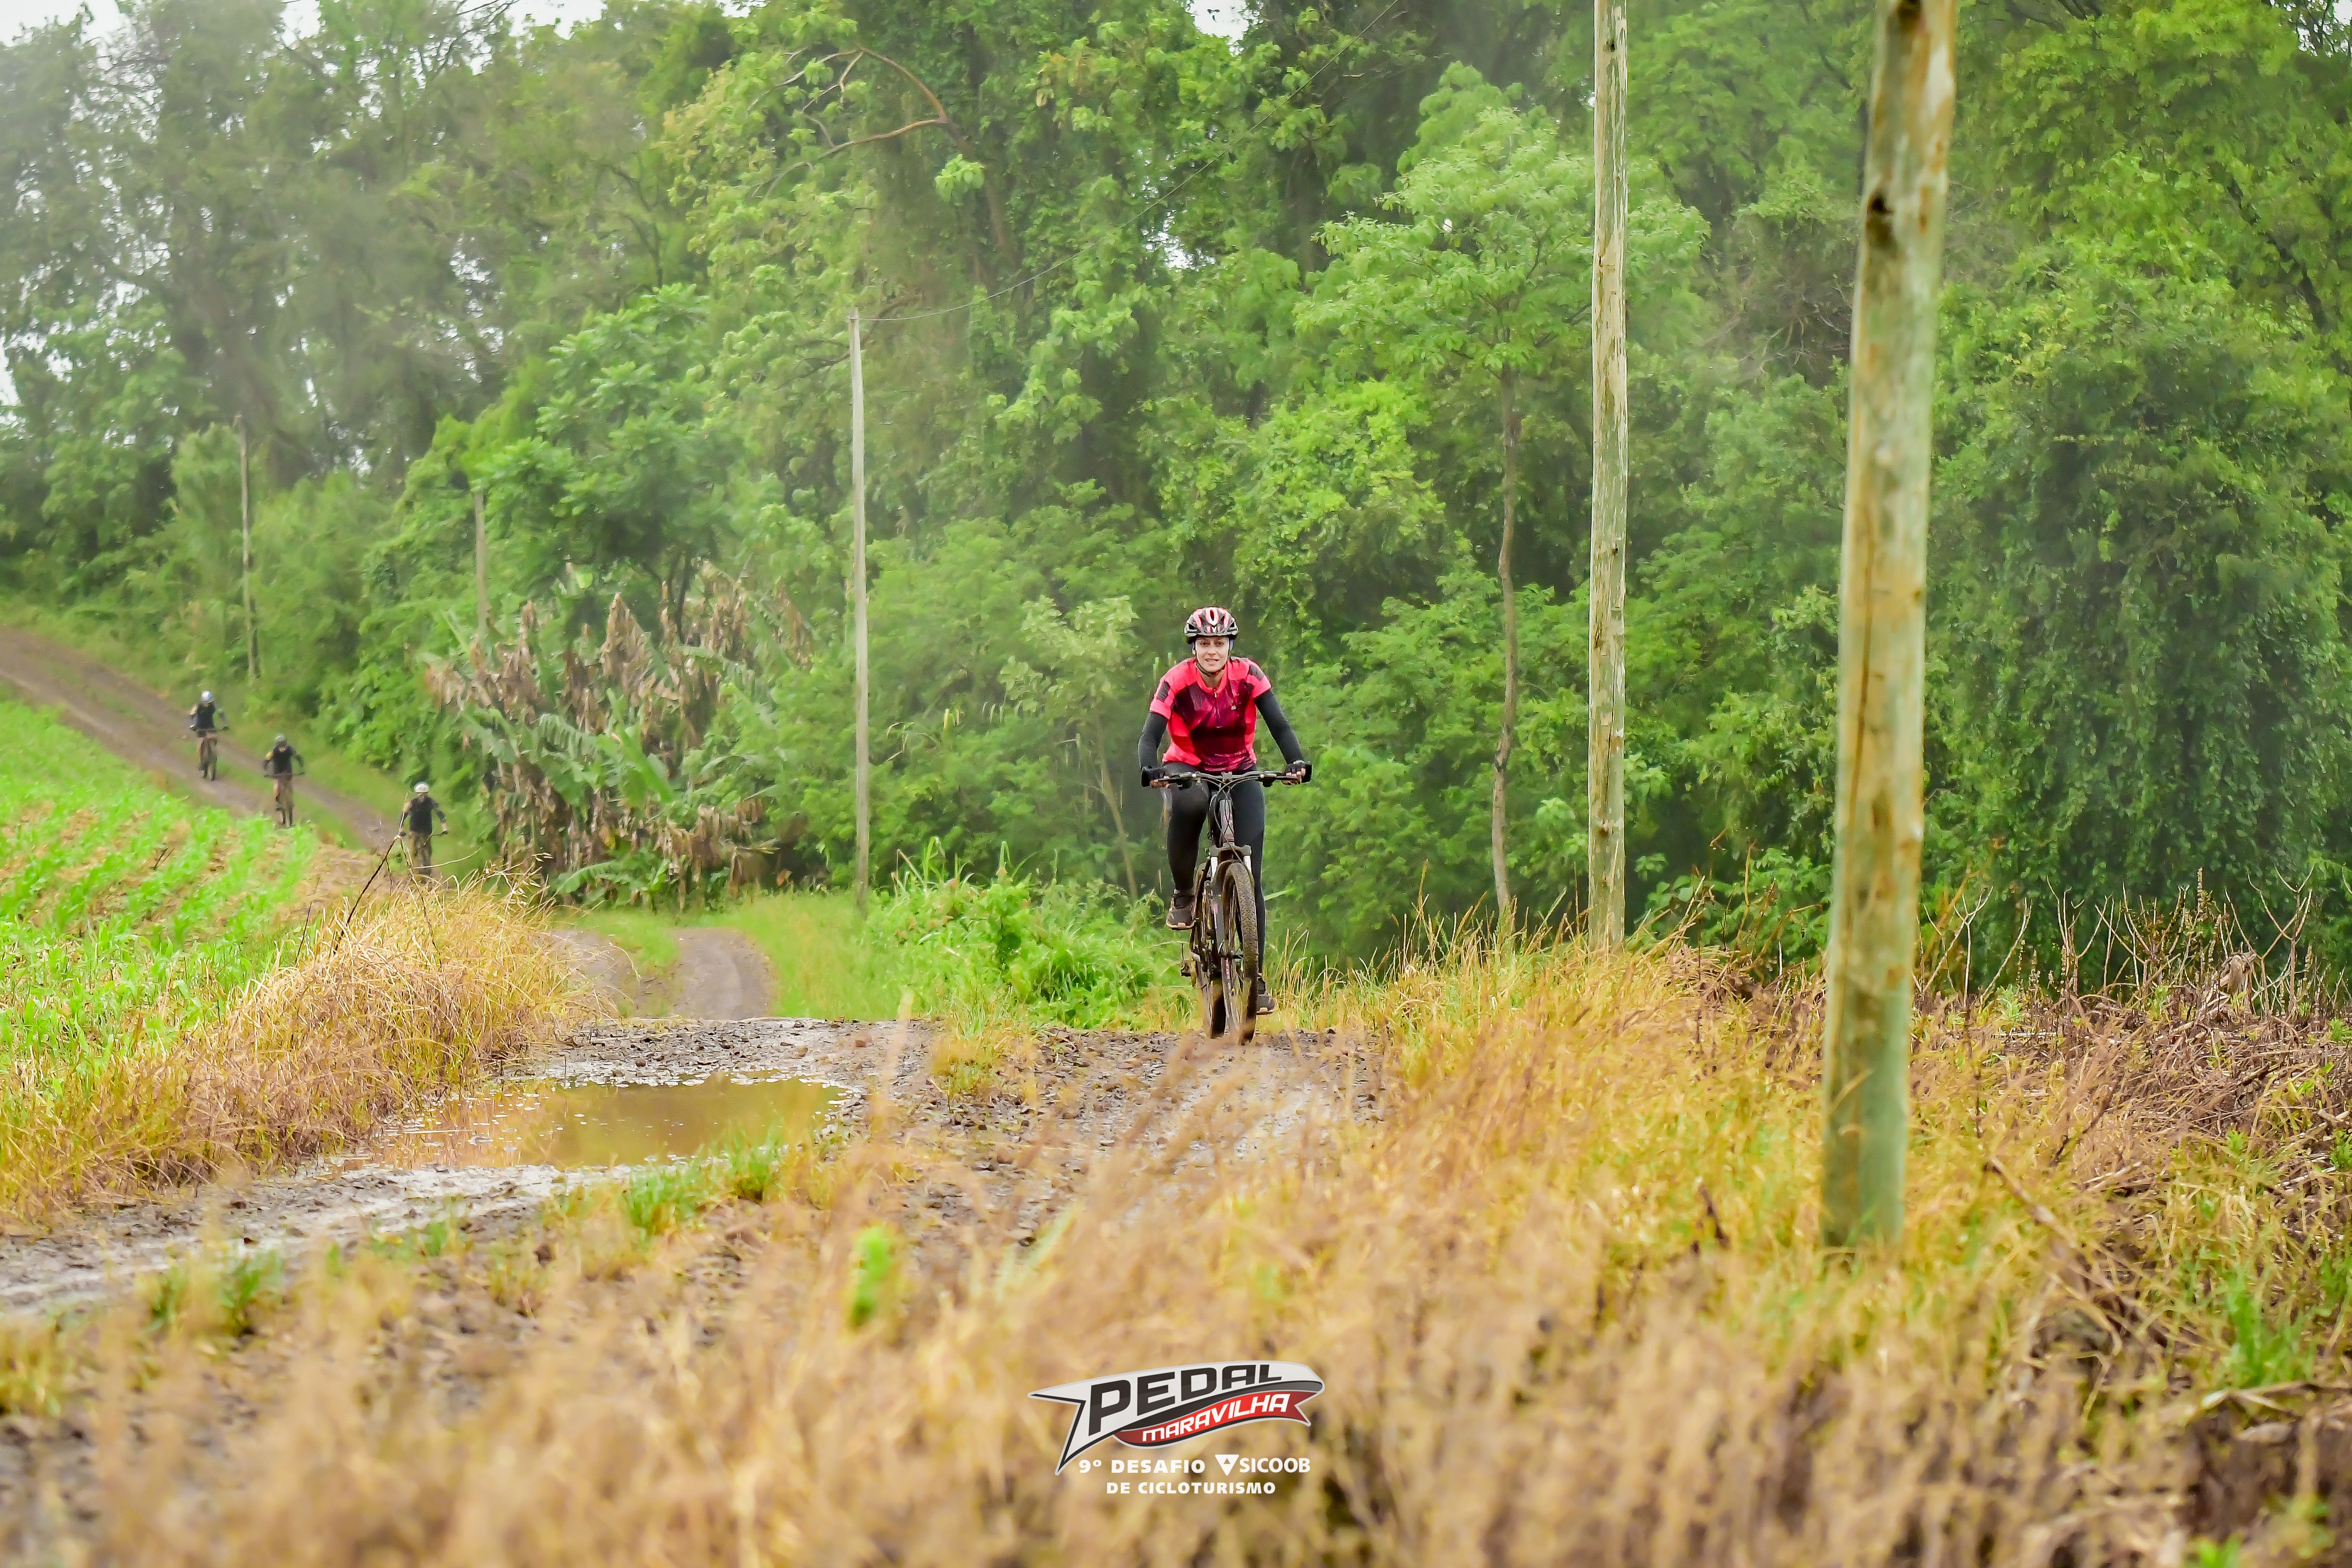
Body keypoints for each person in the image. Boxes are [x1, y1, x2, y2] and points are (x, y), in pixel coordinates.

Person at [1138, 606, 1311, 1015]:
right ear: (1193, 647)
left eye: (1219, 643)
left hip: (1240, 769)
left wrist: (1296, 762)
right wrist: (1150, 768)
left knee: (1252, 873)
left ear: (1230, 646)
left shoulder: (1249, 676)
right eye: (1204, 643)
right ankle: (1184, 894)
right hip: (1189, 767)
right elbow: (1150, 736)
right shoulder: (1176, 681)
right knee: (1192, 803)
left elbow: (1280, 725)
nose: (1212, 651)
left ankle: (1256, 979)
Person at [403, 782, 445, 879]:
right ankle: (412, 870)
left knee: (428, 851)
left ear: (427, 794)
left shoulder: (431, 803)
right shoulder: (412, 803)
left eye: (424, 795)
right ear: (417, 794)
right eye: (420, 795)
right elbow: (404, 815)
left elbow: (440, 814)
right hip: (414, 830)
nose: (422, 797)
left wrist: (445, 828)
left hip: (427, 831)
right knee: (413, 851)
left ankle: (428, 870)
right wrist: (401, 829)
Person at [263, 734, 304, 825]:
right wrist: (265, 767)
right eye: (280, 747)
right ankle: (278, 801)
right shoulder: (274, 751)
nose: (282, 749)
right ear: (277, 746)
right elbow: (267, 760)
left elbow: (298, 757)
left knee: (290, 787)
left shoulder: (290, 749)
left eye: (284, 746)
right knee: (277, 787)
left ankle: (290, 802)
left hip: (288, 772)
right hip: (277, 772)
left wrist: (301, 765)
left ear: (286, 745)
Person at [187, 691, 225, 779]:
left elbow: (221, 713)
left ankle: (213, 754)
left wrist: (225, 723)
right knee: (201, 744)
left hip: (210, 726)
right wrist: (192, 724)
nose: (207, 704)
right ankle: (201, 762)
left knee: (214, 738)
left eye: (209, 702)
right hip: (200, 727)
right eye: (206, 702)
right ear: (203, 701)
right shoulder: (198, 706)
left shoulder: (214, 706)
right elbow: (192, 714)